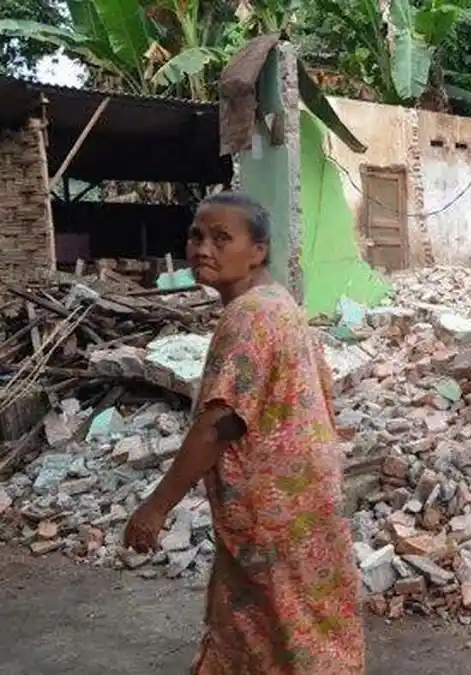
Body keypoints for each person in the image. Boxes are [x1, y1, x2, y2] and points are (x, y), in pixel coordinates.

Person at [123, 191, 366, 674]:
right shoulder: (278, 303)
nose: (202, 248)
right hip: (303, 502)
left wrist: (155, 508)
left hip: (271, 509)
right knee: (290, 622)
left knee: (277, 629)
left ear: (258, 251)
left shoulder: (250, 316)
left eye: (221, 237)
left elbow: (219, 425)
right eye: (196, 235)